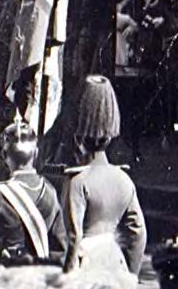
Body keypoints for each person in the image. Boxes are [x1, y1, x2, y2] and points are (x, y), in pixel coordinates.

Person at [63, 74, 148, 276]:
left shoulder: (77, 182)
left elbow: (74, 238)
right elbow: (138, 234)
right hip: (115, 270)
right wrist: (130, 273)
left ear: (78, 137)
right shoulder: (123, 180)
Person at [0, 116, 66, 269]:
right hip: (38, 281)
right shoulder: (50, 191)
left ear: (5, 156)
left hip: (5, 280)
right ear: (36, 153)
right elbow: (60, 250)